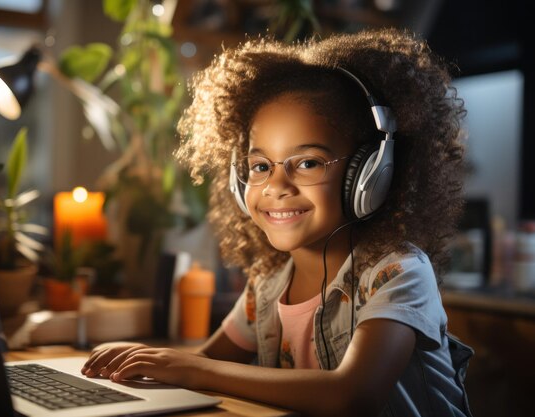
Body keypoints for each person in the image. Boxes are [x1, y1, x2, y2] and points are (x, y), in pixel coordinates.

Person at [81, 28, 473, 417]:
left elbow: (352, 395)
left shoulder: (398, 273)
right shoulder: (266, 287)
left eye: (307, 163)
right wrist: (144, 362)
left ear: (370, 173)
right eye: (259, 166)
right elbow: (203, 361)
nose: (276, 186)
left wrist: (195, 369)